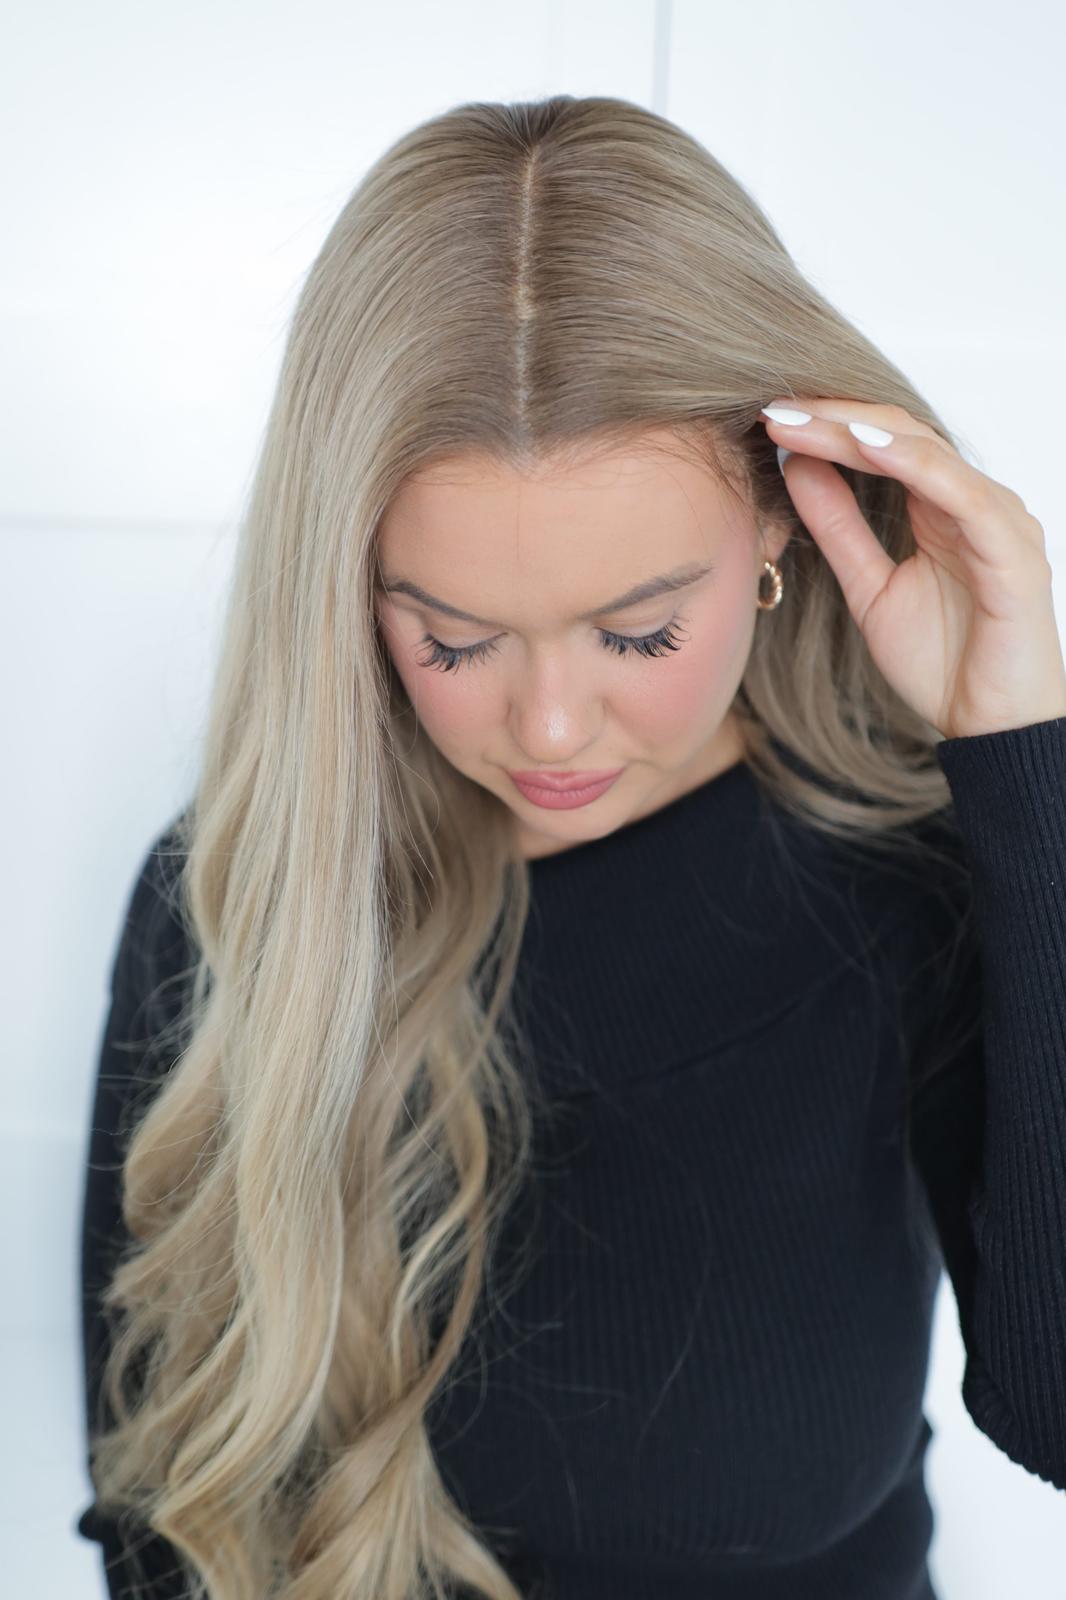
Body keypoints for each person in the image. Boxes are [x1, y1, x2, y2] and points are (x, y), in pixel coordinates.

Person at [75, 93, 1066, 1600]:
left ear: (783, 521)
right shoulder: (231, 901)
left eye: (639, 631)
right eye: (455, 637)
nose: (548, 728)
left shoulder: (914, 876)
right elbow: (162, 1521)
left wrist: (1023, 763)